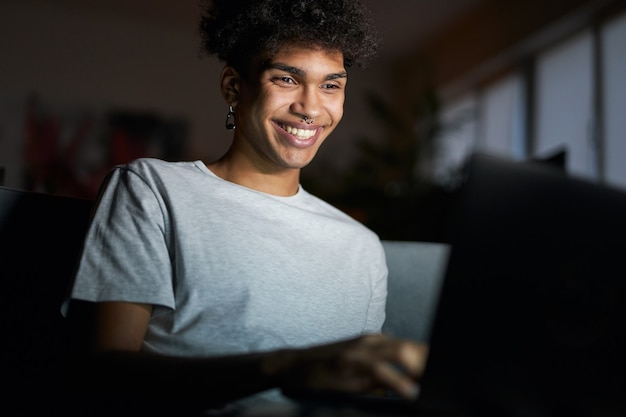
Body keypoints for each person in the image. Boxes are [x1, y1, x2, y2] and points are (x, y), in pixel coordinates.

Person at [64, 0, 428, 415]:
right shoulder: (151, 189)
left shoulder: (361, 245)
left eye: (331, 85)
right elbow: (103, 373)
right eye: (287, 79)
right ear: (234, 87)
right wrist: (284, 367)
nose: (311, 108)